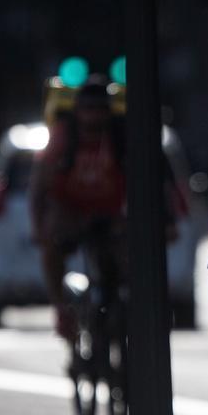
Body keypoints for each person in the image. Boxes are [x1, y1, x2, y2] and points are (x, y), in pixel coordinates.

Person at [29, 77, 127, 343]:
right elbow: (39, 186)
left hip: (110, 215)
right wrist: (40, 228)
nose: (93, 117)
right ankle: (61, 309)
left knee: (126, 260)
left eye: (100, 109)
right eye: (87, 109)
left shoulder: (120, 137)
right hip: (70, 213)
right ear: (77, 111)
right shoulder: (63, 135)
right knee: (51, 249)